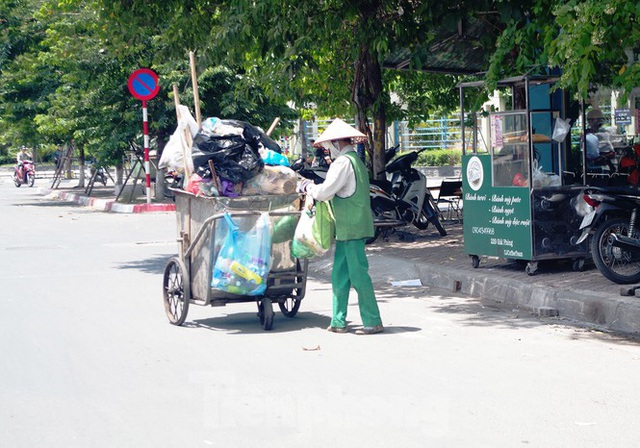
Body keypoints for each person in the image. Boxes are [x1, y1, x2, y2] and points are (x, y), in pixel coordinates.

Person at [300, 118, 383, 335]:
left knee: (358, 275)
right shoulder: (355, 161)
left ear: (337, 143)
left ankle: (372, 320)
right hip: (350, 227)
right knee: (340, 275)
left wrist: (308, 187)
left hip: (351, 227)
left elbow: (326, 191)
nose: (328, 151)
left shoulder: (343, 163)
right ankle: (338, 321)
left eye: (329, 146)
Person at [585, 108, 615, 173]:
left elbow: (610, 148)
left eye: (600, 120)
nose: (599, 122)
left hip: (604, 161)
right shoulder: (587, 134)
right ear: (590, 121)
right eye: (597, 120)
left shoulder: (605, 132)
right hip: (593, 163)